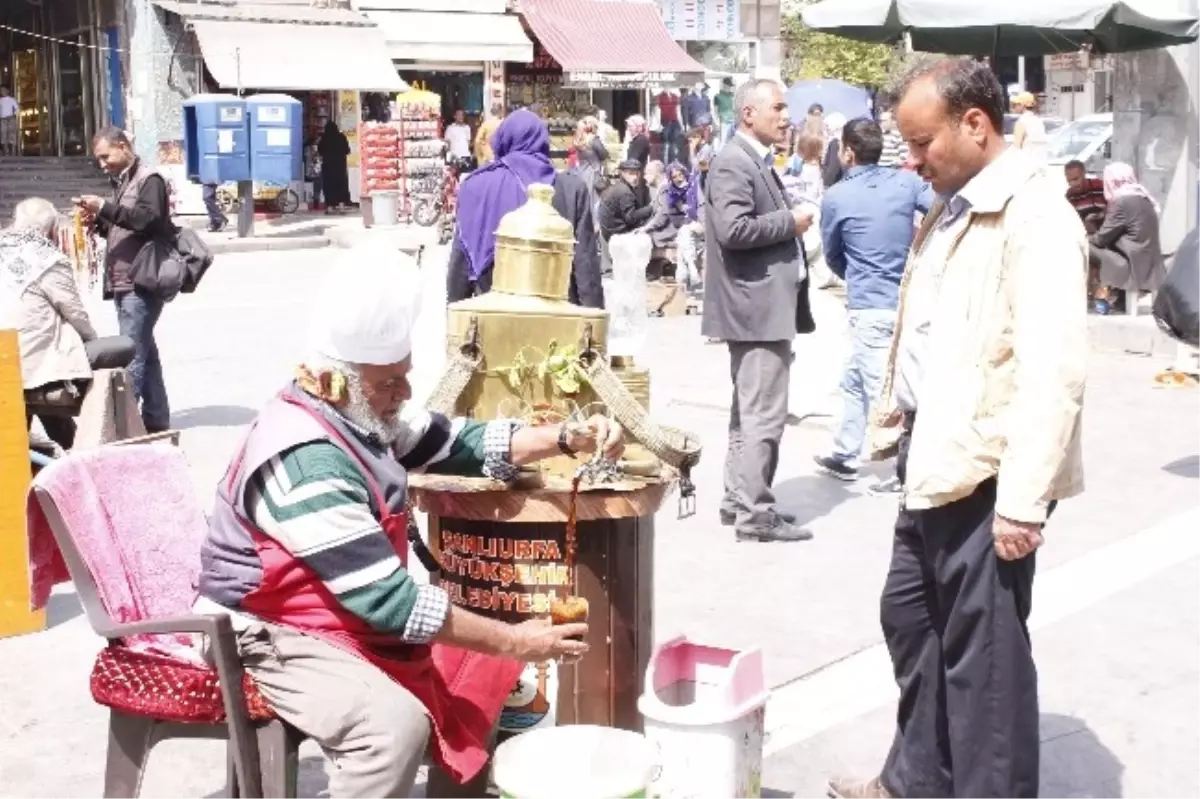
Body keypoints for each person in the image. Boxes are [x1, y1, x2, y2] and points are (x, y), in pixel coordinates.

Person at [196, 248, 625, 799]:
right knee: (389, 729)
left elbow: (454, 442)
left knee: (483, 670)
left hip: (337, 615)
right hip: (268, 629)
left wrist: (564, 437)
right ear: (339, 380)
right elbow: (393, 604)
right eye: (388, 383)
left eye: (404, 377)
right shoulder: (305, 458)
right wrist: (518, 639)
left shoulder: (357, 412)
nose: (403, 393)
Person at [827, 58, 1087, 799]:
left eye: (921, 142)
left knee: (987, 666)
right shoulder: (956, 201)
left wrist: (1023, 500)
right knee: (911, 619)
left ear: (976, 124)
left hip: (989, 473)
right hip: (932, 453)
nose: (911, 160)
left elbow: (1054, 368)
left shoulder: (1035, 215)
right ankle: (917, 780)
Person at [702, 78, 816, 544]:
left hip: (759, 306)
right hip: (756, 308)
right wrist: (790, 222)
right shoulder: (735, 161)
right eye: (778, 107)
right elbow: (733, 229)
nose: (786, 117)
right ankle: (756, 515)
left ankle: (740, 501)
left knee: (747, 415)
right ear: (748, 113)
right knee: (763, 417)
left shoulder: (749, 159)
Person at [812, 118, 932, 496]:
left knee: (889, 392)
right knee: (855, 381)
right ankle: (846, 454)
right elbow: (942, 211)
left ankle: (905, 473)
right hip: (906, 299)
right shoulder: (908, 183)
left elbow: (832, 255)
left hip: (870, 304)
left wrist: (860, 274)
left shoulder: (836, 197)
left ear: (848, 152)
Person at [0, 198, 135, 450]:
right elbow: (76, 314)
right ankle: (72, 447)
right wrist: (90, 342)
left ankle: (65, 445)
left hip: (7, 363)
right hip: (31, 367)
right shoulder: (48, 259)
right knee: (123, 346)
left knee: (51, 362)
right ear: (52, 229)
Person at [447, 109, 603, 309]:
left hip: (492, 315)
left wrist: (455, 319)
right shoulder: (571, 189)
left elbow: (461, 262)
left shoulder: (475, 186)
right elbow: (585, 266)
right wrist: (594, 323)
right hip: (556, 319)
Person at [74, 126, 173, 434]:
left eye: (105, 156)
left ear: (122, 146)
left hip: (140, 280)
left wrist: (104, 207)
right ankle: (156, 418)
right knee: (145, 349)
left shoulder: (149, 180)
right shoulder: (122, 180)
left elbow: (146, 220)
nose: (103, 164)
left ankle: (123, 426)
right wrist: (101, 222)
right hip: (124, 279)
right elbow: (125, 225)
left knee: (132, 354)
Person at [1088, 161, 1166, 315]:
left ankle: (1099, 293)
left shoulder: (1121, 201)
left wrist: (1086, 237)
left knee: (1086, 247)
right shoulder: (1143, 197)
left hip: (1131, 260)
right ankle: (1116, 296)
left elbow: (1102, 238)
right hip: (1149, 259)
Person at [598, 159, 654, 242]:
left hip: (610, 233)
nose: (635, 177)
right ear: (622, 173)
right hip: (618, 235)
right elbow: (630, 218)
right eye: (631, 173)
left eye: (637, 174)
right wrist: (650, 208)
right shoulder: (625, 191)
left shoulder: (619, 186)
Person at [642, 161, 690, 250]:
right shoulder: (662, 188)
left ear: (655, 174)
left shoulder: (665, 189)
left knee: (642, 240)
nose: (644, 177)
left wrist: (645, 228)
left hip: (672, 230)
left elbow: (662, 215)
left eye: (647, 173)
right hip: (669, 228)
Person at [573, 115, 609, 217]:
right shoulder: (593, 140)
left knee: (583, 197)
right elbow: (603, 154)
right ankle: (595, 222)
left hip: (581, 171)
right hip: (593, 172)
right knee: (594, 199)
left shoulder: (578, 140)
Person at [318, 120, 352, 214]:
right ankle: (341, 207)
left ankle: (329, 208)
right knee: (341, 186)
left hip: (328, 167)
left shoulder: (324, 138)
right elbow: (347, 150)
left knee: (328, 186)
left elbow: (320, 150)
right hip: (340, 167)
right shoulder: (341, 137)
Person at [1064, 158, 1107, 230]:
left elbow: (1114, 209)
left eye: (1076, 179)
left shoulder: (1100, 186)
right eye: (1069, 181)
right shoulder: (1069, 197)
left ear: (1084, 173)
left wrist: (1099, 216)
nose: (1073, 184)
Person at [1011, 91, 1048, 163]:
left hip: (1026, 165)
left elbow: (1016, 148)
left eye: (1016, 104)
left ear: (1022, 105)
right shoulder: (1038, 121)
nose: (1014, 107)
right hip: (1040, 164)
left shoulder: (1021, 122)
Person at [656, 89, 682, 163]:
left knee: (673, 144)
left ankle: (672, 162)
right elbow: (658, 111)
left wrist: (682, 125)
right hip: (665, 122)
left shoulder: (675, 96)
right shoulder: (660, 97)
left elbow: (678, 111)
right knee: (665, 144)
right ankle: (665, 163)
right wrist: (659, 124)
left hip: (674, 122)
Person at [821, 112, 847, 187]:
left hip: (833, 185)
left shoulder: (836, 143)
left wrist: (825, 184)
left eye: (828, 125)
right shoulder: (844, 140)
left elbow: (833, 168)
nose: (827, 128)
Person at [714, 78, 736, 149]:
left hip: (732, 121)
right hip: (723, 121)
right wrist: (717, 121)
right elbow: (715, 110)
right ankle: (719, 157)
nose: (729, 88)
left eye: (730, 86)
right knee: (722, 141)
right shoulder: (717, 96)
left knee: (732, 141)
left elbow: (734, 107)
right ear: (724, 85)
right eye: (728, 86)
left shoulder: (732, 95)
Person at [0, 85, 18, 156]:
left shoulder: (11, 99)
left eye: (4, 90)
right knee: (3, 133)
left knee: (12, 133)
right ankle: (6, 151)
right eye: (1, 90)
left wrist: (14, 114)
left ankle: (13, 151)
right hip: (3, 119)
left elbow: (17, 108)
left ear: (8, 91)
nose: (2, 91)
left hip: (11, 118)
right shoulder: (0, 100)